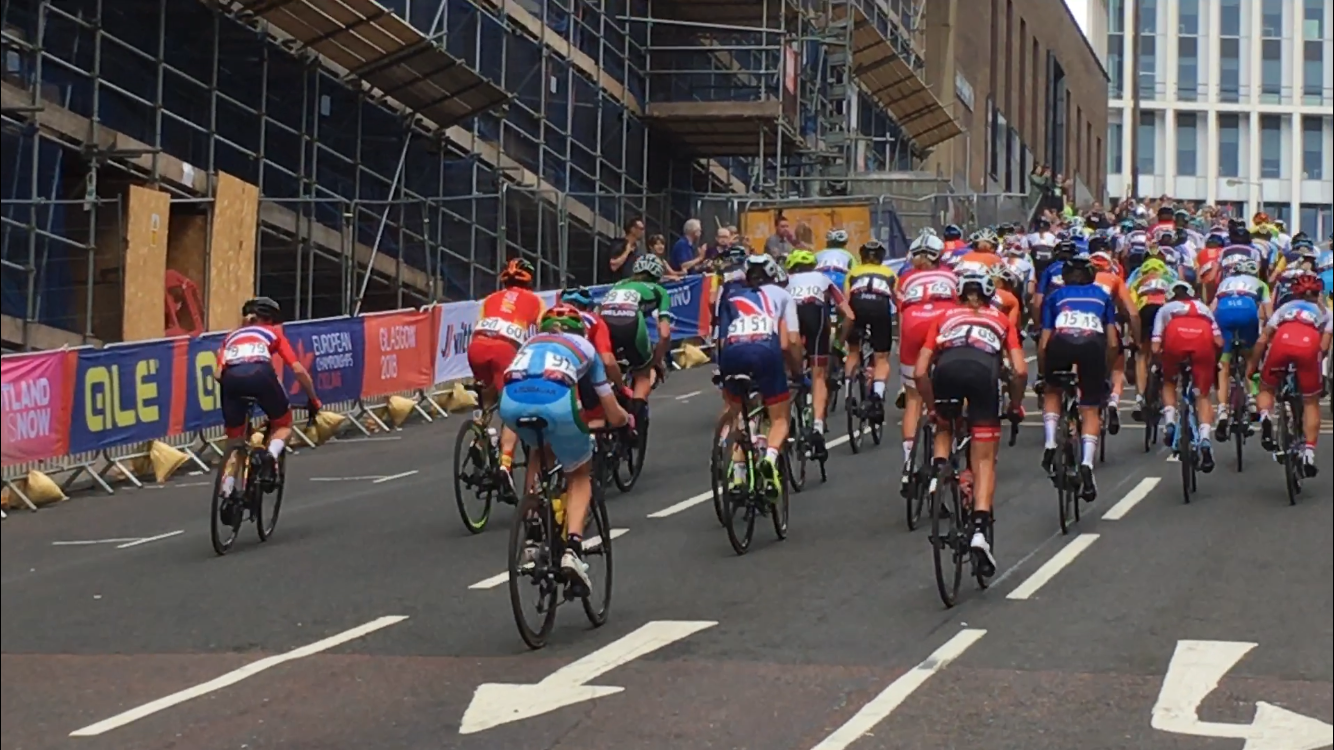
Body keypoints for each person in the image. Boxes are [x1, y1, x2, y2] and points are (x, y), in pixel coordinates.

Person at [499, 305, 631, 592]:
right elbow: (610, 408)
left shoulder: (530, 343)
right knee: (580, 474)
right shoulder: (586, 347)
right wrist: (625, 420)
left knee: (539, 450)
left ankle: (533, 527)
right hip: (555, 401)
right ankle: (573, 547)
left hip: (510, 403)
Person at [915, 272, 1027, 578]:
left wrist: (931, 407)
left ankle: (939, 473)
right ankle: (979, 530)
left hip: (947, 370)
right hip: (982, 373)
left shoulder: (944, 317)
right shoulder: (1000, 319)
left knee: (944, 424)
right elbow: (1019, 371)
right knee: (984, 460)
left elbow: (921, 371)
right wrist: (1015, 405)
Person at [216, 297, 321, 506]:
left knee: (235, 441)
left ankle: (227, 489)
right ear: (270, 319)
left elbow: (218, 374)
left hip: (231, 380)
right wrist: (313, 399)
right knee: (283, 424)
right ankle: (270, 456)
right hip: (261, 374)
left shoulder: (230, 336)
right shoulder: (272, 332)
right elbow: (298, 369)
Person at [715, 254, 803, 498]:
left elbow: (721, 341)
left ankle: (738, 475)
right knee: (780, 418)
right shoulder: (782, 295)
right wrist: (798, 372)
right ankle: (770, 458)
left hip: (732, 353)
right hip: (765, 351)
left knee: (739, 417)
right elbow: (790, 342)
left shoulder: (731, 296)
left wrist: (723, 373)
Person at [1040, 250, 1119, 501]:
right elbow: (1113, 342)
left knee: (1052, 390)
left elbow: (1044, 341)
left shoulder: (1055, 296)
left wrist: (1043, 372)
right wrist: (1105, 369)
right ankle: (1086, 463)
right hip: (1092, 346)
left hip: (1061, 343)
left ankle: (1050, 443)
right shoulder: (1103, 295)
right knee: (1090, 408)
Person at [467, 258, 546, 495]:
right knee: (513, 406)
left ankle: (479, 437)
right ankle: (505, 464)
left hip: (477, 347)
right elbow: (544, 332)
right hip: (505, 349)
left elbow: (479, 325)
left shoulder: (489, 299)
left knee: (488, 393)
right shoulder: (536, 301)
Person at [1247, 272, 1331, 477]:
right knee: (1310, 402)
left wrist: (1252, 366)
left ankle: (1266, 417)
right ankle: (1309, 453)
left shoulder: (1284, 308)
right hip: (1308, 346)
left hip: (1282, 342)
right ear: (1319, 293)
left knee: (1267, 387)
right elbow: (1323, 348)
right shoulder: (1327, 313)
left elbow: (1262, 340)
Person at [894, 230, 958, 496]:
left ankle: (908, 463)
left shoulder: (904, 278)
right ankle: (950, 450)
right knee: (952, 392)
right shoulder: (951, 275)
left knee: (913, 398)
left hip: (912, 324)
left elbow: (900, 318)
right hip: (943, 322)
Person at [786, 249, 855, 460]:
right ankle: (817, 424)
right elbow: (849, 315)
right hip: (815, 314)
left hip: (792, 317)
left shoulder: (785, 282)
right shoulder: (823, 278)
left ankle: (786, 418)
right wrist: (839, 343)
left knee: (788, 371)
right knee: (818, 376)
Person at [1151, 280, 1224, 472]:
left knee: (1168, 383)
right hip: (1202, 342)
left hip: (1175, 341)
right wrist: (1213, 362)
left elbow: (1155, 345)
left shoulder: (1165, 309)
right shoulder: (1203, 308)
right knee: (1203, 395)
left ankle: (1169, 422)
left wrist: (1159, 362)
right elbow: (1218, 341)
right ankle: (1205, 439)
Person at [1212, 258, 1270, 439]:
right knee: (1250, 356)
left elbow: (1212, 308)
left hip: (1223, 312)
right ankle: (1251, 396)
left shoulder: (1224, 283)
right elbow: (1268, 314)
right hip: (1247, 312)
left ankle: (1222, 410)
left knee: (1223, 366)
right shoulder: (1260, 284)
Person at [843, 239, 898, 425]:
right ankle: (877, 395)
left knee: (853, 350)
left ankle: (848, 392)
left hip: (857, 305)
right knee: (881, 357)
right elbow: (898, 300)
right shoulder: (889, 273)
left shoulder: (853, 272)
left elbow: (846, 300)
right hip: (880, 308)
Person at [1091, 247, 1138, 432]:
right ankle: (1114, 400)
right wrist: (1136, 339)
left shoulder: (1078, 280)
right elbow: (1132, 313)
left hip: (1080, 328)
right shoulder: (1114, 279)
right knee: (1118, 369)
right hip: (1108, 327)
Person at [1127, 254, 1178, 419]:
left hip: (1145, 308)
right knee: (1167, 350)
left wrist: (1132, 334)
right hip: (1164, 308)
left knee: (1142, 353)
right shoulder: (1170, 275)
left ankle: (1139, 398)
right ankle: (1166, 389)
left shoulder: (1137, 277)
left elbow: (1131, 305)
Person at [560, 286, 627, 393]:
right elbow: (608, 361)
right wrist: (621, 387)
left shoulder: (546, 316)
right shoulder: (594, 319)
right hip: (576, 373)